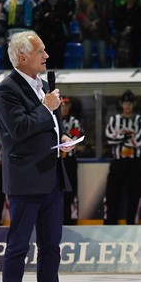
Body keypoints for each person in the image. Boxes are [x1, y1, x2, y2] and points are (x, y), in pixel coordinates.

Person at [0, 30, 75, 282]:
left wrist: (62, 137)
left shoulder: (43, 86)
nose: (47, 55)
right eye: (41, 50)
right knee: (17, 247)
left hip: (52, 177)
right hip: (26, 181)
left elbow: (49, 125)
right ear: (22, 56)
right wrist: (47, 108)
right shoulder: (7, 90)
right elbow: (19, 128)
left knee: (51, 247)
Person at [104, 89, 141, 225]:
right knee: (112, 193)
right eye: (125, 103)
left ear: (133, 104)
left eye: (129, 103)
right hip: (118, 161)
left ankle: (132, 223)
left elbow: (139, 141)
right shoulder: (114, 119)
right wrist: (128, 136)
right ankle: (111, 223)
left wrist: (120, 137)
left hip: (135, 162)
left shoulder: (140, 120)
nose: (127, 106)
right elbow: (109, 138)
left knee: (135, 194)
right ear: (121, 104)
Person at [60, 96, 83, 225]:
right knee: (56, 192)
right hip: (56, 161)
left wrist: (61, 143)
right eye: (62, 105)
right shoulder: (53, 119)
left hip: (69, 161)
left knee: (71, 191)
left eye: (66, 106)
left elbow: (73, 139)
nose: (64, 108)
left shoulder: (74, 121)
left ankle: (71, 221)